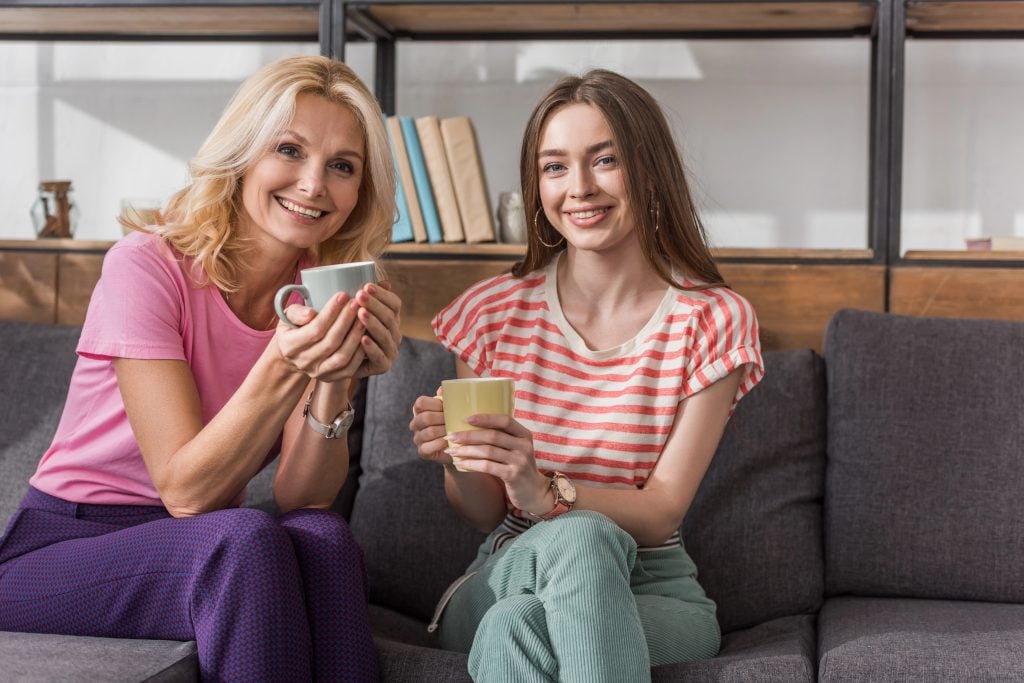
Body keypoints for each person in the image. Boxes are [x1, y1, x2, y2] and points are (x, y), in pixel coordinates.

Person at [0, 55, 402, 681]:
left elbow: (304, 495)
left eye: (342, 166)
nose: (313, 184)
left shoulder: (316, 293)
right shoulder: (146, 266)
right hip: (62, 547)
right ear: (243, 155)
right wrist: (284, 358)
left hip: (204, 539)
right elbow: (186, 492)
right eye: (289, 150)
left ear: (360, 192)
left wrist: (332, 374)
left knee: (323, 542)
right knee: (242, 540)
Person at [409, 69, 763, 682]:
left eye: (605, 161)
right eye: (554, 167)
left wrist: (545, 491)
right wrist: (456, 460)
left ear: (649, 172)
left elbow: (660, 511)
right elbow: (483, 513)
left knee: (518, 625)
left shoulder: (712, 321)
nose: (579, 188)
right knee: (575, 542)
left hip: (657, 590)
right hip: (507, 567)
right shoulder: (491, 314)